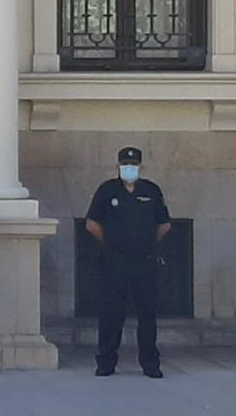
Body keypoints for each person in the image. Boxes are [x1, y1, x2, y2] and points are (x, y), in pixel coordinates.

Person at [85, 146, 171, 379]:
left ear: (140, 167)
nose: (129, 168)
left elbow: (164, 225)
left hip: (144, 260)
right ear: (118, 166)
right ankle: (106, 362)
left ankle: (150, 363)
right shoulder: (107, 190)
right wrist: (112, 243)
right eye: (125, 164)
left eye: (133, 164)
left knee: (147, 313)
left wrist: (145, 243)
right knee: (111, 312)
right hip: (115, 261)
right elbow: (92, 224)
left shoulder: (151, 191)